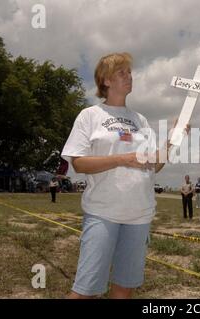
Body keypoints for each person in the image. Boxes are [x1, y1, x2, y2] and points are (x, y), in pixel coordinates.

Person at [61, 52, 187, 299]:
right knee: (84, 292)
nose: (129, 76)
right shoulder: (90, 116)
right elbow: (79, 163)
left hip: (139, 215)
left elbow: (154, 166)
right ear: (105, 80)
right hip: (103, 212)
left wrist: (173, 139)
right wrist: (122, 159)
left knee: (123, 290)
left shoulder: (140, 120)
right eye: (122, 72)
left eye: (130, 72)